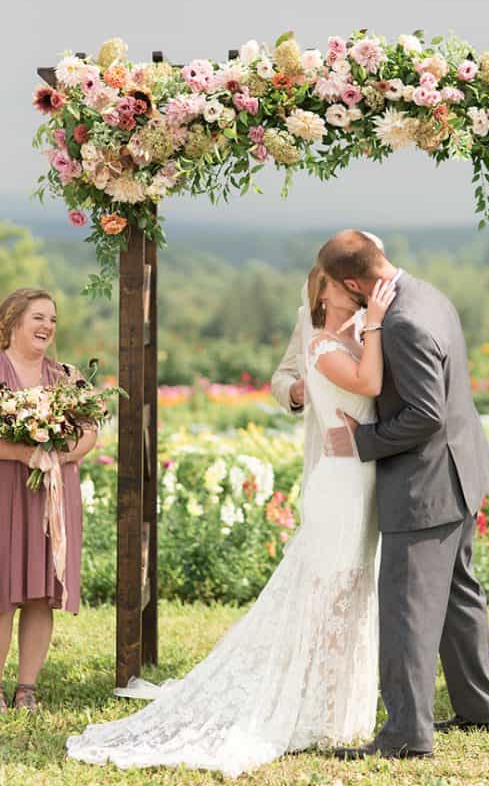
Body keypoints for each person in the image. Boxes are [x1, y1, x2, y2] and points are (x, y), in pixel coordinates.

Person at [66, 269, 396, 777]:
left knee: (353, 589)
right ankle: (313, 705)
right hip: (334, 463)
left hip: (367, 470)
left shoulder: (375, 321)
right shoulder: (316, 330)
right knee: (327, 585)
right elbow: (285, 378)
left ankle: (339, 707)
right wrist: (304, 393)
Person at [318, 230, 489, 761]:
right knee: (457, 599)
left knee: (406, 609)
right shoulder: (428, 293)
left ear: (354, 283)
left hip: (425, 484)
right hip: (458, 472)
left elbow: (424, 414)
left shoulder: (402, 322)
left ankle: (406, 734)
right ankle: (481, 709)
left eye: (337, 286)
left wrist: (359, 440)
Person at [0, 288, 98, 713]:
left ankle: (26, 690)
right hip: (4, 489)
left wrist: (60, 454)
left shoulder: (66, 377)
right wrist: (23, 452)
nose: (47, 327)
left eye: (53, 320)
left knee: (40, 590)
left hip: (53, 495)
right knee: (2, 590)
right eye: (38, 317)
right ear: (13, 321)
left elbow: (90, 430)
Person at [271, 232, 385, 415]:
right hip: (330, 431)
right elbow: (282, 375)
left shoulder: (379, 315)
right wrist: (295, 392)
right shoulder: (310, 323)